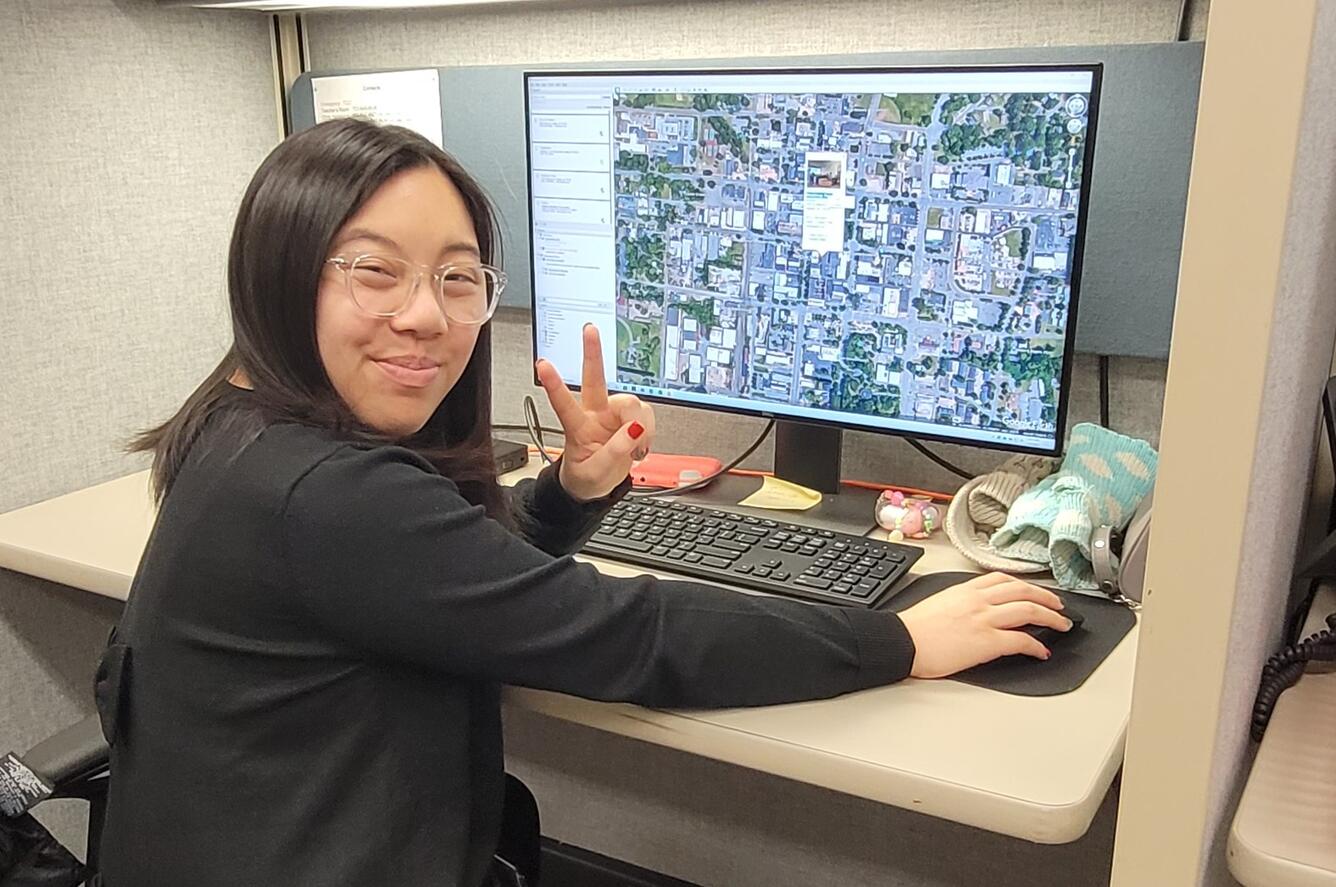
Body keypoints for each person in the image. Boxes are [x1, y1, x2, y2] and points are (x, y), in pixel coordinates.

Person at [95, 118, 1069, 887]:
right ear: (280, 270)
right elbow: (632, 637)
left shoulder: (237, 429)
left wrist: (565, 495)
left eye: (457, 276)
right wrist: (902, 639)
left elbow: (439, 586)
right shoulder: (325, 494)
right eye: (375, 269)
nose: (428, 313)